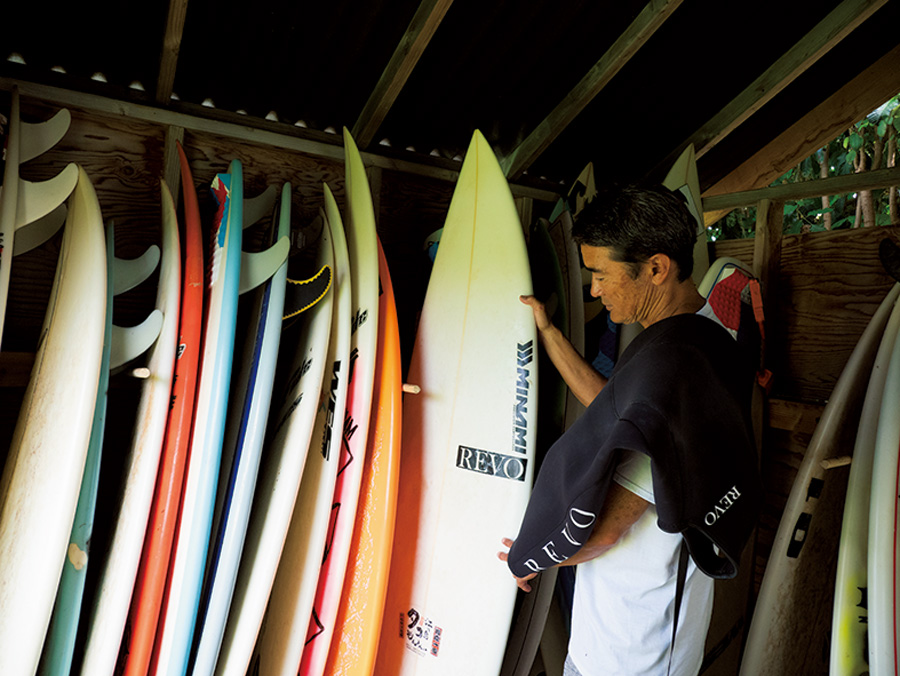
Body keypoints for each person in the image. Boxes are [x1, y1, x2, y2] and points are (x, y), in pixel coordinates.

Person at [498, 184, 761, 676]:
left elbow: (607, 529)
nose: (594, 290)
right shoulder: (689, 339)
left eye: (601, 274)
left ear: (656, 268)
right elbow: (616, 412)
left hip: (639, 646)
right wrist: (551, 336)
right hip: (618, 630)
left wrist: (531, 555)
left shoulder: (681, 370)